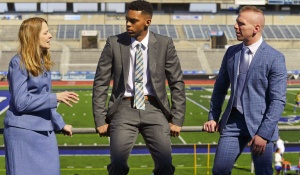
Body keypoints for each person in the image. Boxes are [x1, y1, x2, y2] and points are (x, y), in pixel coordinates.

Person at [92, 1, 186, 175]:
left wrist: (177, 118)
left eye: (133, 21)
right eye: (127, 19)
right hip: (123, 109)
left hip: (155, 109)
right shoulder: (114, 43)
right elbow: (100, 83)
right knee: (118, 163)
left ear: (147, 22)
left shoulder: (165, 44)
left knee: (165, 165)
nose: (128, 24)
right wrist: (100, 119)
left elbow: (177, 82)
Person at [203, 6, 287, 175]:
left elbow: (278, 100)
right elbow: (220, 88)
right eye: (236, 22)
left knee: (263, 172)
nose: (235, 26)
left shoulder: (275, 58)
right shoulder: (231, 53)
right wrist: (213, 117)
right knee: (219, 171)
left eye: (241, 23)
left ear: (256, 28)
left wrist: (263, 134)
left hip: (261, 124)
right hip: (233, 122)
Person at [3, 17, 79, 175]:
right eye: (46, 32)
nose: (50, 35)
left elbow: (42, 99)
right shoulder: (18, 63)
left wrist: (60, 124)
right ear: (33, 36)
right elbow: (21, 102)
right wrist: (55, 97)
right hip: (22, 134)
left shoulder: (43, 62)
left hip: (45, 133)